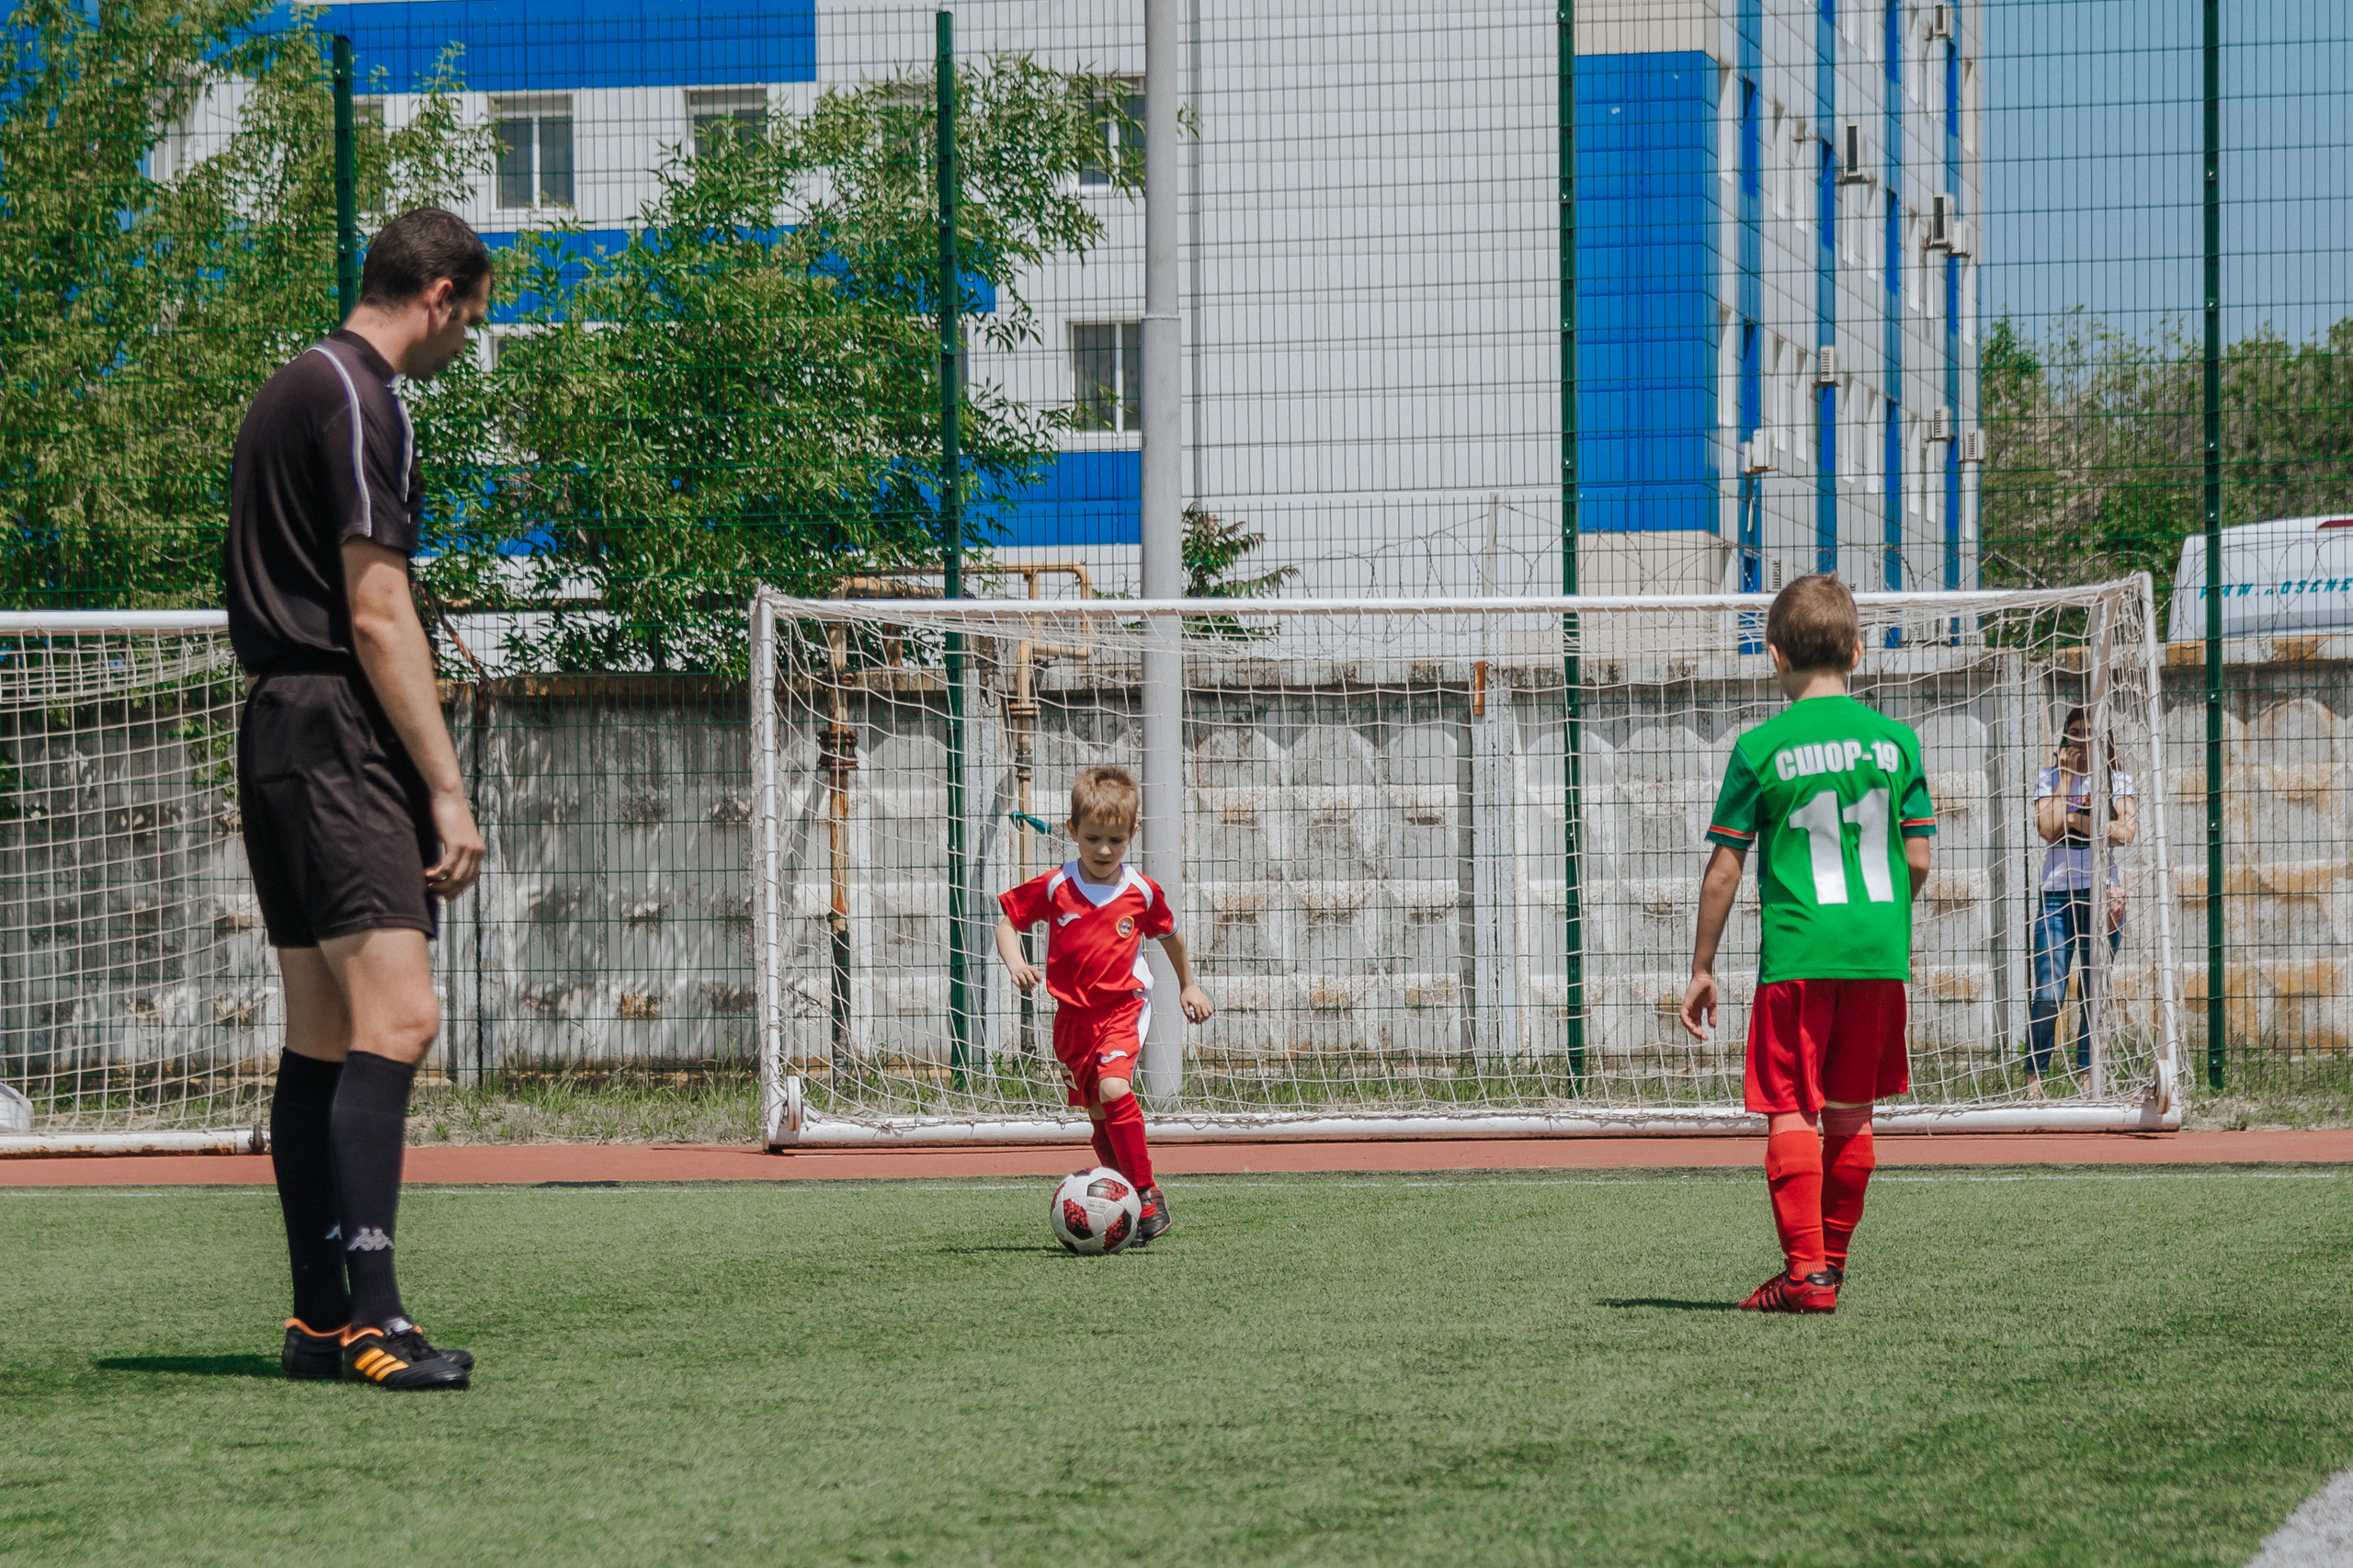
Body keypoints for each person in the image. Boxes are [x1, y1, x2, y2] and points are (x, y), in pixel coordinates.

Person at [225, 208, 493, 1390]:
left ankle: (319, 1319)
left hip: (277, 726)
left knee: (321, 1033)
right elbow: (377, 611)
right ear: (436, 291)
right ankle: (376, 1319)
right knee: (399, 1019)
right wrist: (445, 785)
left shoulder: (291, 385)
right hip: (337, 732)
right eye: (471, 315)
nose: (466, 338)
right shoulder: (359, 394)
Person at [1678, 574, 1936, 1314]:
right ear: (1858, 651)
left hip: (1797, 954)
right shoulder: (1898, 743)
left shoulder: (1761, 748)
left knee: (1792, 1108)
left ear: (1774, 654)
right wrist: (1882, 917)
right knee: (1853, 1112)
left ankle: (1804, 1275)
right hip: (1877, 954)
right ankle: (1832, 1266)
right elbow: (1917, 860)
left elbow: (1725, 868)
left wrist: (1701, 967)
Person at [995, 767, 1212, 1243]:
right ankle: (1124, 1200)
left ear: (1132, 833)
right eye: (1093, 838)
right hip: (1072, 1019)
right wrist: (1016, 963)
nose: (1104, 850)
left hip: (1122, 1008)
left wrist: (1188, 985)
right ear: (1072, 832)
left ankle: (1147, 1191)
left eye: (1116, 839)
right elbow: (1008, 921)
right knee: (1097, 1112)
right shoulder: (1056, 886)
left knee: (1114, 1090)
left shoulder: (1141, 891)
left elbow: (1170, 936)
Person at [2028, 706, 2137, 1095]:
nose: (2080, 740)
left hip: (2100, 895)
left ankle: (2087, 1072)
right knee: (2049, 991)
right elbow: (2045, 827)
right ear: (2065, 739)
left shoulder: (2116, 780)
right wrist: (2068, 780)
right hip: (2056, 896)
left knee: (2094, 987)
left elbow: (2125, 832)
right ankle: (2034, 1076)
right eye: (2074, 732)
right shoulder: (2050, 778)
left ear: (2101, 738)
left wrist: (2074, 821)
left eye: (2089, 733)